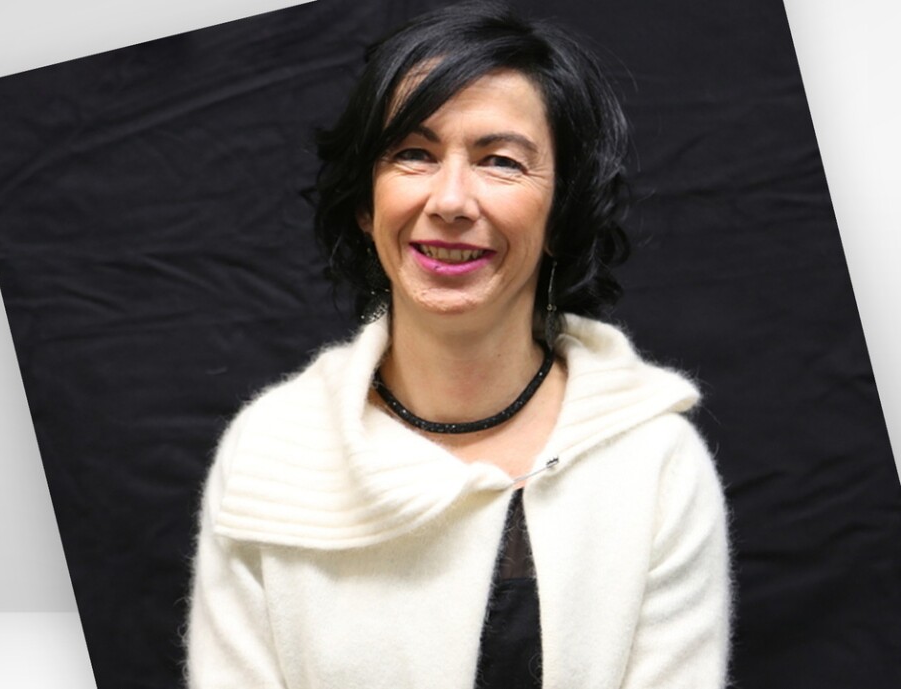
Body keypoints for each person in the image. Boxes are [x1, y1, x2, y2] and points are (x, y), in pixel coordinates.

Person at [185, 2, 731, 687]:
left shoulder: (656, 462)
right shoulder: (268, 451)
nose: (450, 201)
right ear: (366, 204)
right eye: (413, 154)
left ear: (563, 211)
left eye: (500, 161)